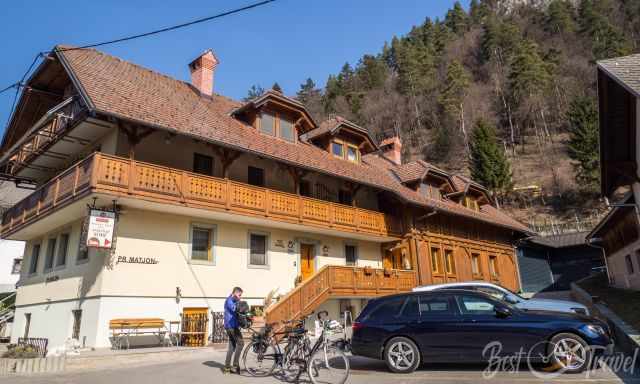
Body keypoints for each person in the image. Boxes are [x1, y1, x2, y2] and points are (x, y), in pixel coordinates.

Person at [222, 286, 244, 374]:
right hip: (231, 326)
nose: (240, 297)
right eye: (239, 295)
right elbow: (235, 309)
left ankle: (227, 368)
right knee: (241, 343)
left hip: (231, 326)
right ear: (235, 293)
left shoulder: (234, 300)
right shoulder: (229, 300)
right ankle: (235, 365)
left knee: (232, 347)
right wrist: (241, 306)